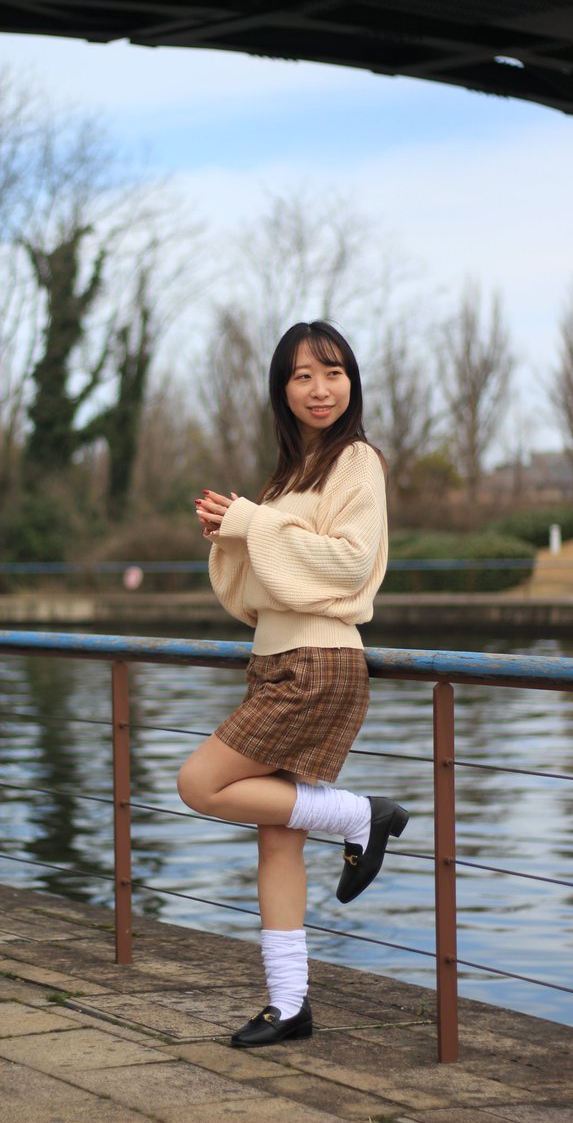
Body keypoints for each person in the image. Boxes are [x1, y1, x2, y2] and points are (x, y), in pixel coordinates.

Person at [177, 320, 407, 1049]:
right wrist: (232, 536)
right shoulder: (289, 476)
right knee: (276, 837)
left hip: (319, 662)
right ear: (282, 389)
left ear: (352, 382)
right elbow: (256, 600)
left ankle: (357, 815)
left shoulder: (357, 462)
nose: (320, 388)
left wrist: (256, 523)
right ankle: (289, 1004)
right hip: (277, 658)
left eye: (333, 372)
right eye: (303, 376)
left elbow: (344, 565)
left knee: (199, 783)